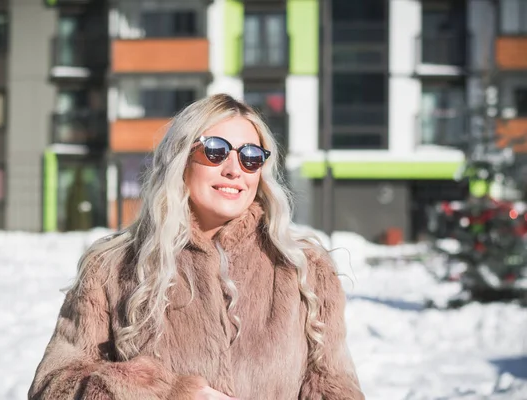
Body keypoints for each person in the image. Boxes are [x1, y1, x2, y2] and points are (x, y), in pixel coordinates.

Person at [28, 94, 364, 400]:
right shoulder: (113, 268)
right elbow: (53, 387)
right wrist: (167, 394)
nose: (234, 170)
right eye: (216, 150)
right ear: (181, 158)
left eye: (250, 157)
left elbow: (335, 389)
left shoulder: (302, 268)